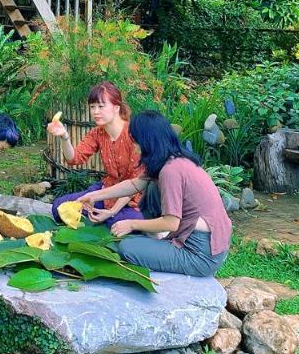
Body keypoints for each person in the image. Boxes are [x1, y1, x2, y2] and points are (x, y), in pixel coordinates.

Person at [102, 110, 231, 277]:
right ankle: (158, 239)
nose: (134, 147)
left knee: (127, 248)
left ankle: (160, 243)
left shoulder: (170, 171)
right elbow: (134, 184)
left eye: (135, 141)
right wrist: (93, 196)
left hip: (200, 254)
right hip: (206, 241)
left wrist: (131, 224)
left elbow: (171, 223)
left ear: (146, 141)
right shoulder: (174, 159)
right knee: (151, 187)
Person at [47, 81, 148, 227]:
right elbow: (74, 158)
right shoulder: (98, 133)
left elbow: (134, 184)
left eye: (101, 106)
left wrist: (112, 211)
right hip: (105, 191)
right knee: (59, 207)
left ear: (116, 107)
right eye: (92, 107)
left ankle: (111, 217)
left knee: (115, 221)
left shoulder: (133, 134)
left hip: (133, 199)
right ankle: (101, 215)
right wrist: (64, 136)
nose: (95, 112)